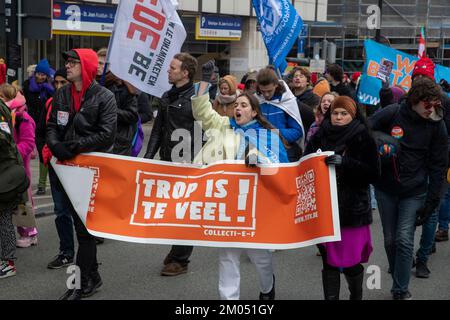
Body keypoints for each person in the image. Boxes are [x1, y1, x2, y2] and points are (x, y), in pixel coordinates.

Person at [192, 66, 288, 299]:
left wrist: (261, 161)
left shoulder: (268, 135)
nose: (238, 108)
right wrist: (204, 82)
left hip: (256, 206)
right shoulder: (223, 127)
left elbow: (280, 168)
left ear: (254, 112)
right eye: (236, 105)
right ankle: (229, 301)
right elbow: (203, 112)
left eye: (244, 105)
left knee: (260, 256)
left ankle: (267, 289)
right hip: (227, 204)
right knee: (227, 256)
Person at [47, 49, 117, 300]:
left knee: (85, 230)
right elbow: (53, 125)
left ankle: (79, 282)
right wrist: (55, 145)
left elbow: (107, 134)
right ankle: (93, 276)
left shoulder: (105, 96)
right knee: (80, 227)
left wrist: (74, 146)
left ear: (86, 66)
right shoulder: (62, 93)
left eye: (73, 62)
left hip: (91, 170)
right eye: (67, 61)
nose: (67, 65)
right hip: (65, 168)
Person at [369, 77, 448, 299]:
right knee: (390, 240)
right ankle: (398, 273)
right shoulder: (393, 112)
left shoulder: (437, 124)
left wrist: (431, 203)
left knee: (404, 239)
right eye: (428, 104)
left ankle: (400, 290)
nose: (432, 109)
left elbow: (439, 165)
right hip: (385, 188)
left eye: (436, 104)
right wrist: (381, 143)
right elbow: (365, 129)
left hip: (415, 191)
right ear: (416, 100)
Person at [305, 96, 379, 300]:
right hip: (324, 208)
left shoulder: (363, 136)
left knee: (350, 262)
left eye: (343, 113)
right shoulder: (320, 134)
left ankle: (356, 294)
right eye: (335, 113)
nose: (338, 117)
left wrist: (346, 163)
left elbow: (373, 173)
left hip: (351, 210)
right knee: (328, 260)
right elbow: (305, 161)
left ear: (352, 115)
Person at [144, 53, 202, 277]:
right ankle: (176, 249)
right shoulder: (167, 95)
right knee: (171, 210)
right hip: (168, 161)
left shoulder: (198, 97)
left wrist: (196, 160)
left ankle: (180, 259)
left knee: (184, 211)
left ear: (185, 73)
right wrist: (149, 156)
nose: (168, 70)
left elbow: (204, 130)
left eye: (173, 68)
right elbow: (158, 129)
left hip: (187, 162)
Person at [41, 68, 78, 270]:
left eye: (63, 82)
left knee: (80, 213)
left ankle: (88, 258)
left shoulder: (81, 102)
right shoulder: (51, 102)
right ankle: (66, 252)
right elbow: (42, 130)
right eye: (56, 83)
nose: (58, 87)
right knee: (61, 211)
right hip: (56, 164)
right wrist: (46, 150)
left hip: (78, 164)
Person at [0, 84, 38, 248]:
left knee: (22, 202)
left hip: (20, 167)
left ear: (8, 98)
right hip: (8, 165)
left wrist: (12, 152)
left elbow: (28, 143)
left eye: (1, 97)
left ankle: (29, 232)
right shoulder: (9, 114)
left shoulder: (23, 118)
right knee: (12, 202)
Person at [0, 97, 28, 278]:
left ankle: (8, 262)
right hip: (6, 167)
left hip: (6, 169)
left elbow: (4, 137)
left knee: (4, 216)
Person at [256, 67, 304, 162]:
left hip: (283, 150)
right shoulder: (256, 99)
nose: (266, 95)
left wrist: (274, 134)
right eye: (263, 91)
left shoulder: (288, 101)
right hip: (259, 150)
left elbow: (297, 131)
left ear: (276, 85)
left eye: (269, 91)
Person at [96, 48, 139, 156]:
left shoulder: (123, 88)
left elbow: (132, 115)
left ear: (111, 66)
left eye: (101, 63)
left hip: (117, 144)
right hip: (96, 141)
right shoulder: (93, 84)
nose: (97, 66)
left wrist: (110, 111)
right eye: (96, 63)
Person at [23, 59, 55, 196]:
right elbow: (26, 101)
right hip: (30, 123)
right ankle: (25, 183)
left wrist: (49, 90)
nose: (41, 77)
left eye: (44, 75)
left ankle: (42, 184)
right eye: (39, 74)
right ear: (35, 73)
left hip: (45, 124)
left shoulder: (50, 87)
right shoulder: (27, 85)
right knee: (28, 153)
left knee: (43, 153)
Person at [287, 67, 319, 133]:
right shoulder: (287, 97)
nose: (297, 78)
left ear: (307, 82)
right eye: (295, 76)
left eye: (301, 76)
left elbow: (312, 117)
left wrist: (293, 101)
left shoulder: (314, 98)